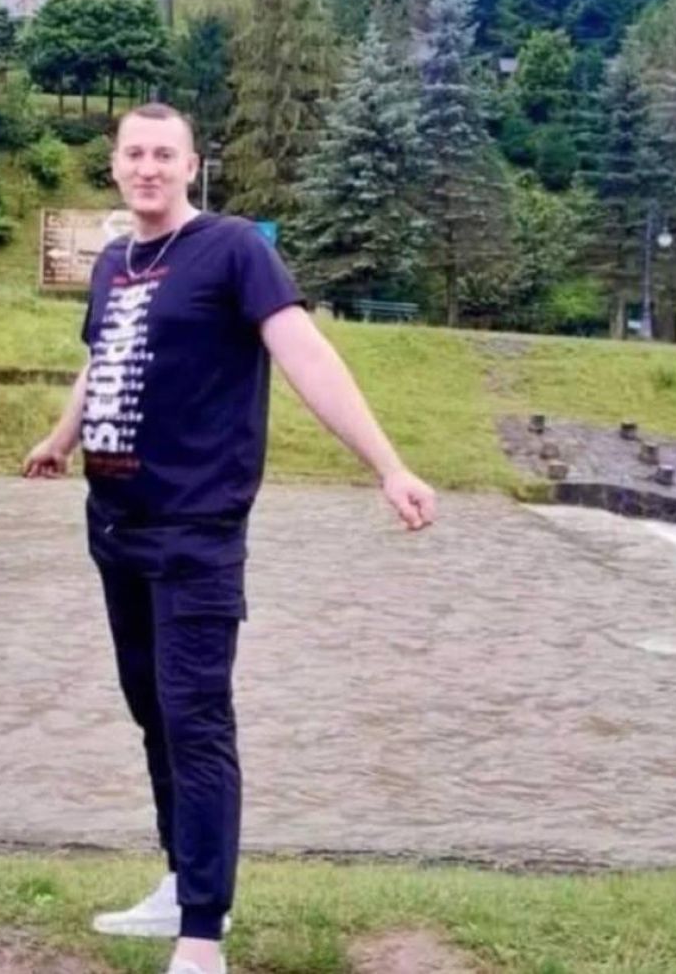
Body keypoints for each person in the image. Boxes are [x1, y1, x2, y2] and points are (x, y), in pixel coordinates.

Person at [23, 103, 437, 974]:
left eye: (163, 154)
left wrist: (388, 465)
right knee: (152, 714)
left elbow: (307, 355)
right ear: (114, 165)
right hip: (115, 526)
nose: (147, 167)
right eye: (134, 153)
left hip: (196, 533)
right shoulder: (114, 263)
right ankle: (181, 882)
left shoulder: (234, 249)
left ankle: (202, 936)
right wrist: (61, 439)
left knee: (196, 720)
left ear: (191, 166)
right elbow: (102, 361)